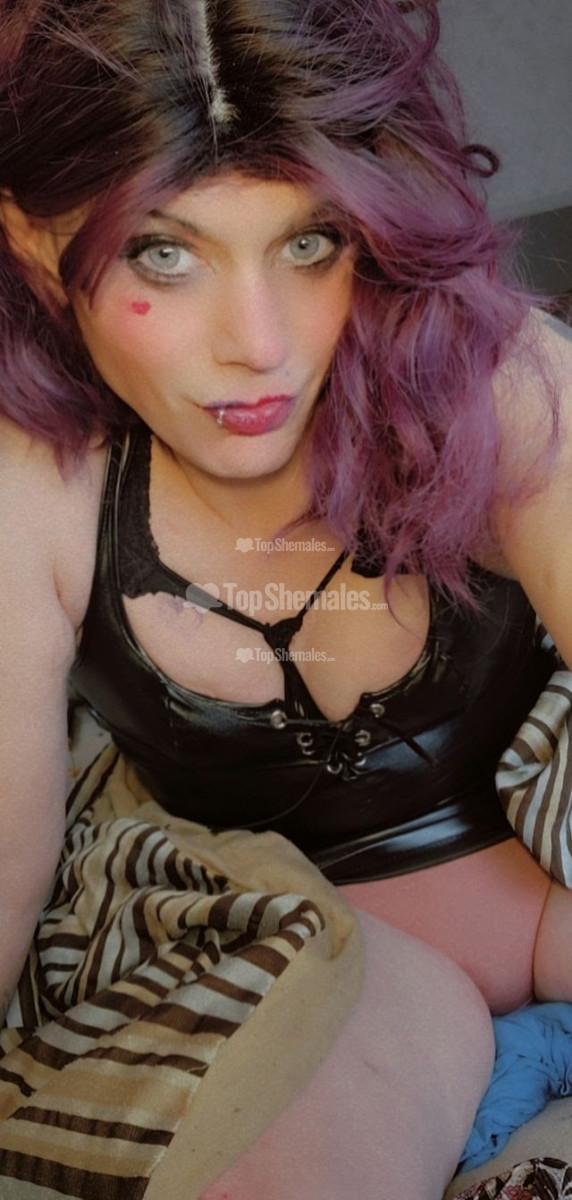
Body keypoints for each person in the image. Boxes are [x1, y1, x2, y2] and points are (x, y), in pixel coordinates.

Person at [0, 1, 572, 1197]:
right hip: (331, 995)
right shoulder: (35, 485)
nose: (257, 344)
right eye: (164, 254)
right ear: (34, 241)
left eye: (309, 242)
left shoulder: (495, 379)